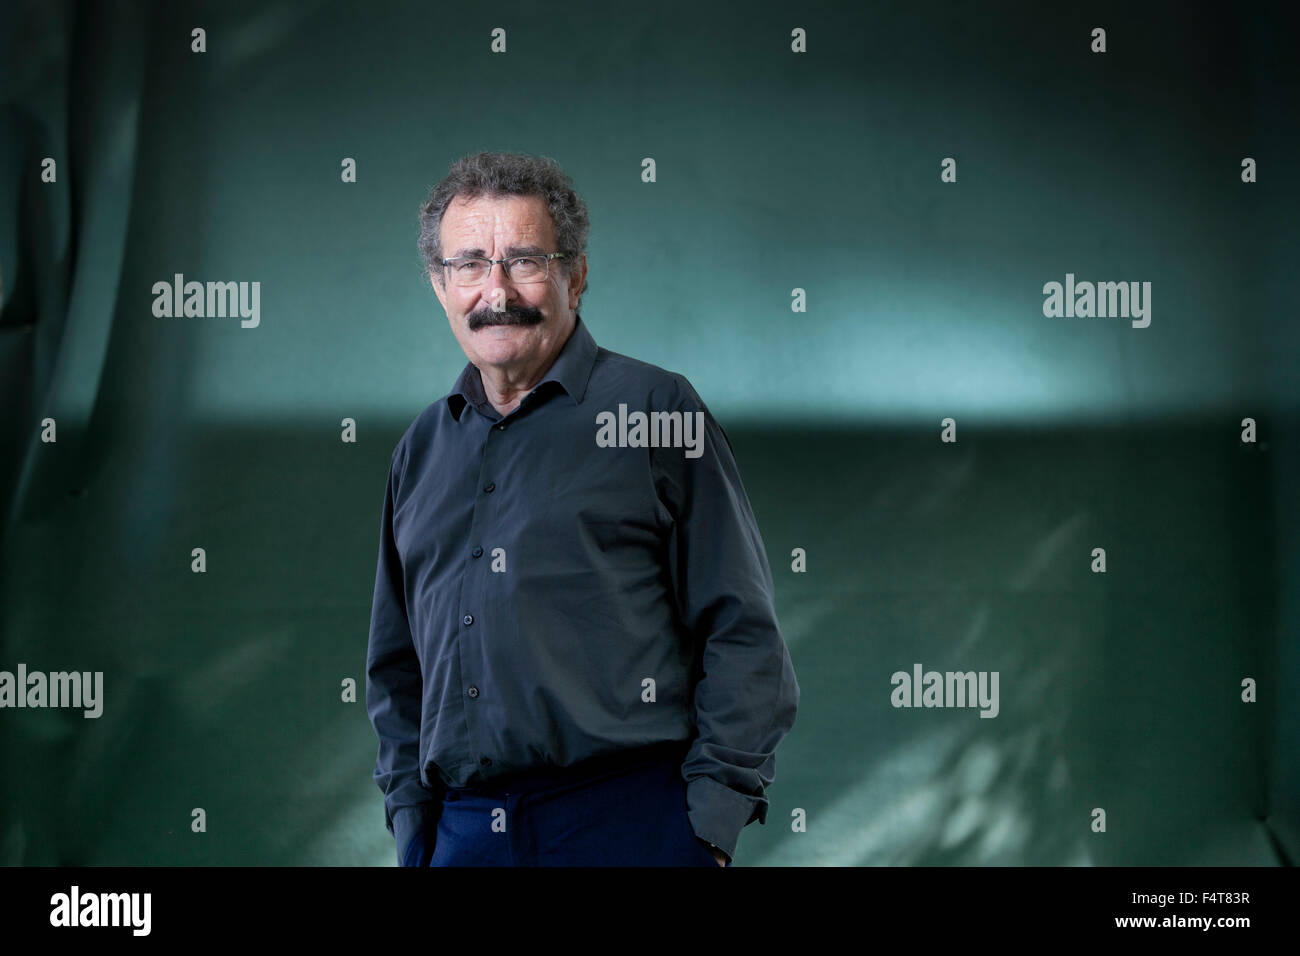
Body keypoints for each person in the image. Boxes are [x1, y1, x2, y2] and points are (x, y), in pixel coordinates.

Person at [365, 151, 799, 866]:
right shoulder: (420, 450)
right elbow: (394, 666)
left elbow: (743, 631)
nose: (495, 291)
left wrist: (705, 834)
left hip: (626, 823)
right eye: (469, 264)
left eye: (525, 260)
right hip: (465, 835)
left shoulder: (658, 412)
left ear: (577, 273)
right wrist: (418, 835)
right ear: (440, 286)